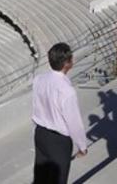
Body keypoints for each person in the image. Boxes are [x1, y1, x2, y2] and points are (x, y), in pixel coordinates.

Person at [31, 43, 87, 184]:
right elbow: (74, 122)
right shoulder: (67, 91)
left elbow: (37, 106)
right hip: (59, 141)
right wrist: (82, 146)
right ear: (67, 63)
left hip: (41, 133)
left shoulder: (39, 79)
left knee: (41, 178)